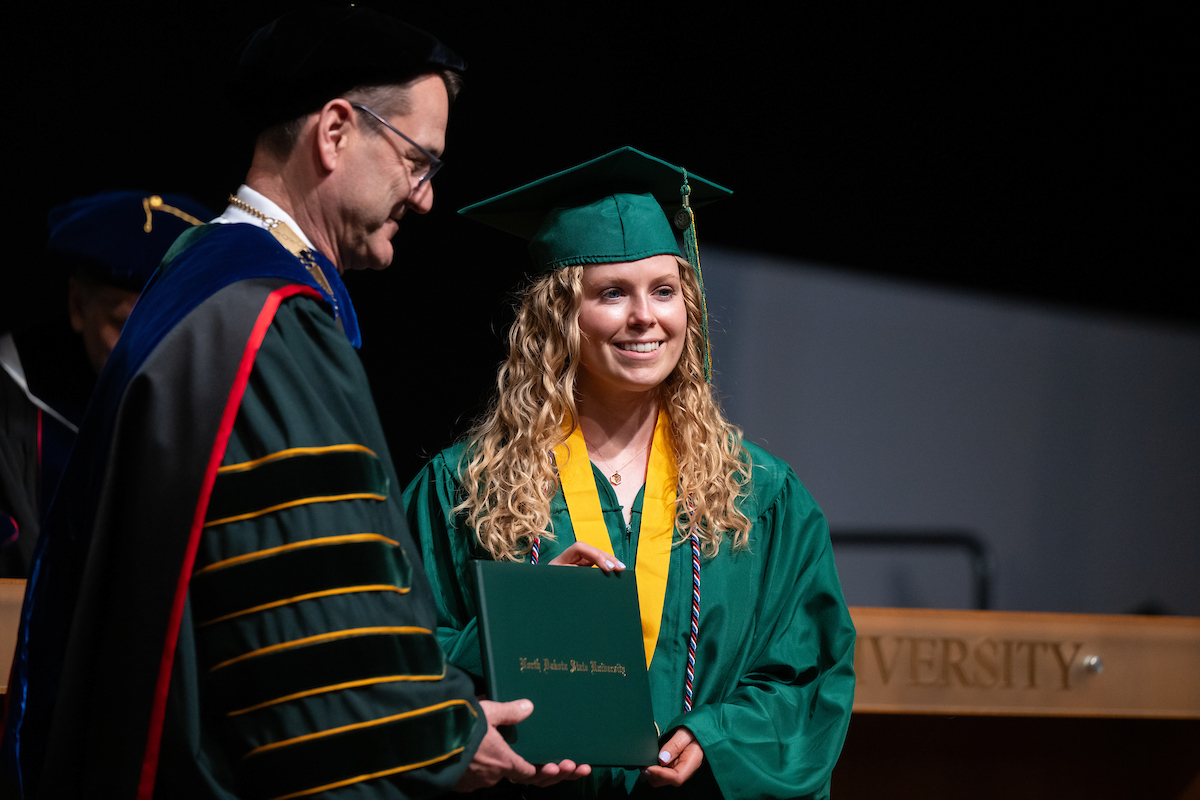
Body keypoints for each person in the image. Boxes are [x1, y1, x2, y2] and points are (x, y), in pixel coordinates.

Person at [1, 8, 575, 799]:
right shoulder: (268, 323)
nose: (427, 198)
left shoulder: (195, 280)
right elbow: (304, 640)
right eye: (419, 162)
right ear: (336, 131)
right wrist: (437, 735)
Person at [404, 148, 857, 799]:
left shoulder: (759, 495)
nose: (645, 316)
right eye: (612, 293)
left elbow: (808, 677)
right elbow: (402, 657)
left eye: (665, 291)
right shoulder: (467, 490)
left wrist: (716, 738)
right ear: (559, 318)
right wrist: (513, 631)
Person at [1, 191, 211, 578]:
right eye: (123, 325)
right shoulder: (14, 397)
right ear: (79, 306)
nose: (150, 351)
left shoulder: (222, 399)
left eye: (170, 324)